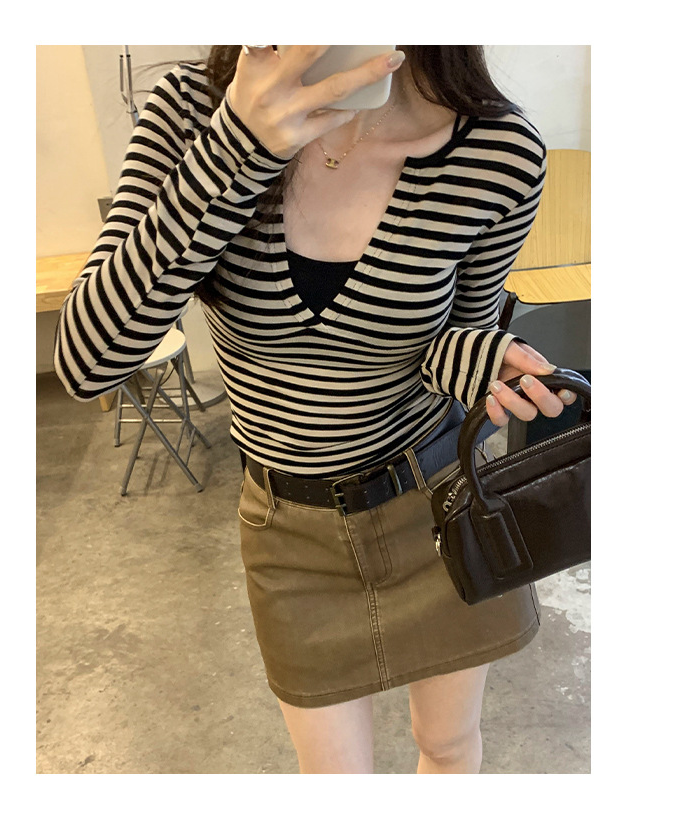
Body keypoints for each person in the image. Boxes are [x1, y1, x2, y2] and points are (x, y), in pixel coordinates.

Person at [54, 45, 578, 774]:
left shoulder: (495, 148)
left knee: (449, 745)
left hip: (439, 506)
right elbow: (88, 361)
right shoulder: (193, 111)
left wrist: (482, 361)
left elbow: (459, 335)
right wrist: (238, 144)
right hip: (288, 529)